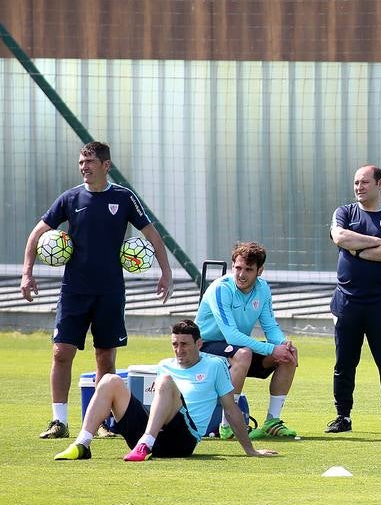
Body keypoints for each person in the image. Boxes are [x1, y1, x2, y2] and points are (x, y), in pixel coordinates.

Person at [20, 140, 172, 439]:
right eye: (81, 163)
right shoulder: (70, 198)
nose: (84, 168)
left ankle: (101, 422)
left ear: (106, 166)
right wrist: (27, 273)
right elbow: (37, 234)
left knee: (105, 358)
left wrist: (165, 272)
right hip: (74, 290)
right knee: (61, 353)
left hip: (110, 292)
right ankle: (58, 421)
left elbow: (152, 234)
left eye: (89, 163)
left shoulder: (124, 198)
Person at [55, 319, 278, 461]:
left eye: (185, 344)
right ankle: (82, 444)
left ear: (199, 344)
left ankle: (145, 443)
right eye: (175, 344)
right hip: (152, 433)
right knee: (110, 380)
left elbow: (230, 409)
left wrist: (250, 450)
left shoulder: (215, 365)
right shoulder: (165, 364)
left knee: (165, 382)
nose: (179, 350)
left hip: (183, 440)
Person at [327, 165, 381, 435]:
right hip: (347, 302)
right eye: (356, 182)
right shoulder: (344, 212)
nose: (359, 187)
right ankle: (343, 416)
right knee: (344, 363)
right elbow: (340, 236)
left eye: (364, 182)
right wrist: (376, 241)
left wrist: (358, 252)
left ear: (380, 184)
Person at [194, 241, 300, 440]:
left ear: (259, 271)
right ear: (233, 266)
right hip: (204, 350)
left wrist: (282, 345)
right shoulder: (221, 289)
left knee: (288, 355)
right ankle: (228, 426)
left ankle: (272, 422)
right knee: (243, 353)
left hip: (236, 351)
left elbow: (270, 327)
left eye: (248, 270)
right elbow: (231, 336)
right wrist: (271, 349)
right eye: (238, 268)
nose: (241, 274)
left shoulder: (263, 289)